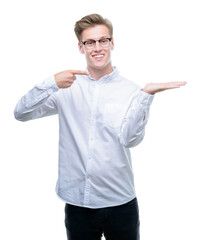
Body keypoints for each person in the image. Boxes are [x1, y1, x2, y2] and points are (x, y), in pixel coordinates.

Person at [14, 13, 186, 240]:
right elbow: (21, 113)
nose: (97, 47)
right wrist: (51, 82)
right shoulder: (66, 88)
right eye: (90, 42)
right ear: (80, 47)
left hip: (121, 203)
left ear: (112, 43)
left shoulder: (131, 91)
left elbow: (130, 140)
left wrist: (146, 95)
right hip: (78, 204)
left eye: (103, 40)